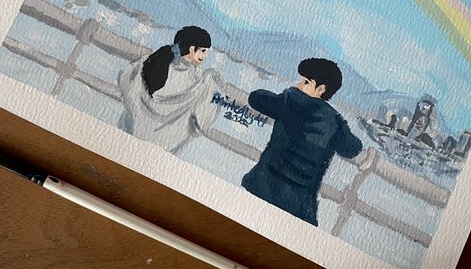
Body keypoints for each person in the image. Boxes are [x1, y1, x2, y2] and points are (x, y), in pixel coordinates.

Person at [242, 58, 363, 226]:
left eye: (305, 82)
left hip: (262, 187)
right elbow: (353, 149)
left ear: (321, 89)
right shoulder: (335, 122)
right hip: (299, 206)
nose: (298, 84)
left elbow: (256, 98)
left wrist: (291, 93)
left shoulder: (290, 101)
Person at [117, 26, 224, 153]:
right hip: (163, 147)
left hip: (130, 132)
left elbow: (125, 79)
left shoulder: (152, 61)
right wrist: (215, 82)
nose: (204, 56)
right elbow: (202, 121)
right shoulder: (198, 81)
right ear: (191, 48)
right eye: (203, 51)